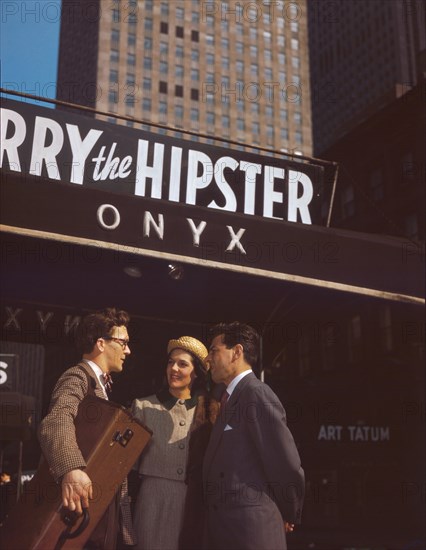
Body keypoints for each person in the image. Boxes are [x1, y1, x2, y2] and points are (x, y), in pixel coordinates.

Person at [38, 307, 135, 549]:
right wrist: (71, 468)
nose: (128, 351)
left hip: (95, 515)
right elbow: (56, 420)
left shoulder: (100, 385)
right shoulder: (77, 377)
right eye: (123, 343)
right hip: (78, 516)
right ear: (101, 343)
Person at [202, 322, 305, 550]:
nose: (208, 359)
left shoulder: (256, 393)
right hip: (227, 531)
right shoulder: (229, 398)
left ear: (237, 352)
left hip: (250, 532)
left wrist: (288, 511)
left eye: (214, 350)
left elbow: (284, 461)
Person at [131, 336, 209, 550]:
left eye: (182, 364)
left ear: (196, 372)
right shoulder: (143, 406)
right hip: (151, 499)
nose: (173, 368)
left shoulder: (209, 411)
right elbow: (128, 463)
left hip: (190, 502)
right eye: (170, 362)